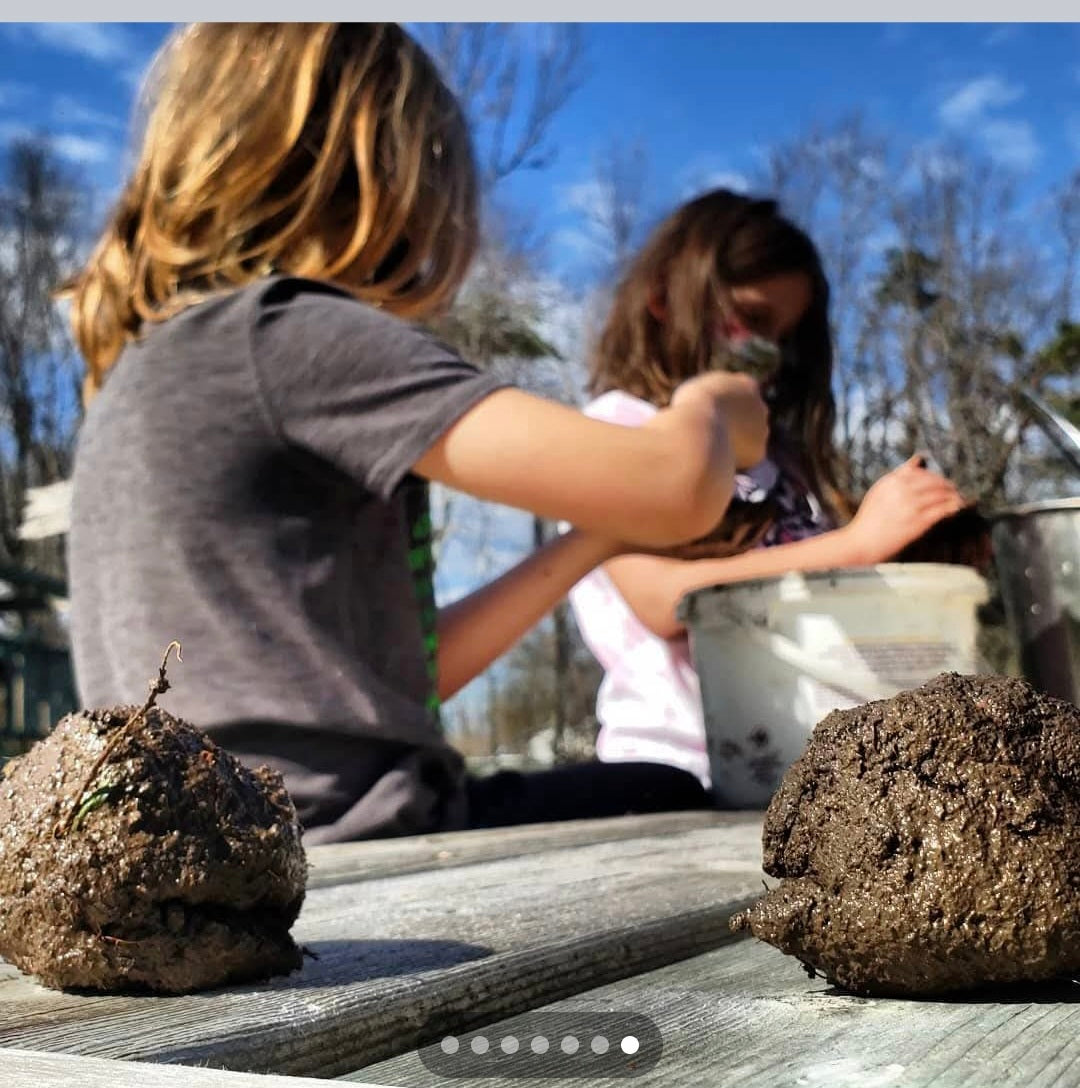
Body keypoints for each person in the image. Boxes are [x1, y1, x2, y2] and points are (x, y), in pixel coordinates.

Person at [61, 24, 769, 843]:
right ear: (393, 172)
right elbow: (677, 486)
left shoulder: (157, 372)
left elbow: (410, 681)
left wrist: (596, 540)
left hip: (206, 840)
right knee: (672, 793)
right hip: (339, 832)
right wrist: (715, 402)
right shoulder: (286, 331)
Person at [568, 189, 966, 792]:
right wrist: (858, 544)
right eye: (752, 320)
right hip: (678, 775)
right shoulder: (616, 427)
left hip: (807, 772)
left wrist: (916, 549)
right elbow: (662, 600)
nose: (770, 355)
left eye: (785, 336)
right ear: (662, 298)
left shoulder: (785, 462)